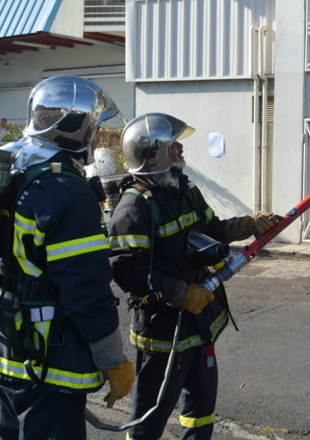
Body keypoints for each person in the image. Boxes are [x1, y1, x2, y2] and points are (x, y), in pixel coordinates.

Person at [0, 75, 135, 439]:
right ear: (76, 133)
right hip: (47, 359)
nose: (97, 140)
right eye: (94, 131)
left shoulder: (14, 166)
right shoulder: (66, 191)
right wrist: (113, 360)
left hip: (2, 344)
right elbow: (85, 288)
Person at [106, 113, 277, 440]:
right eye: (174, 145)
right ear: (155, 154)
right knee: (149, 417)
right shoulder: (133, 208)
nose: (181, 149)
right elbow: (128, 271)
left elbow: (211, 230)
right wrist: (180, 293)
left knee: (200, 411)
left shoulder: (185, 189)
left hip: (199, 324)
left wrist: (246, 225)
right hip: (164, 330)